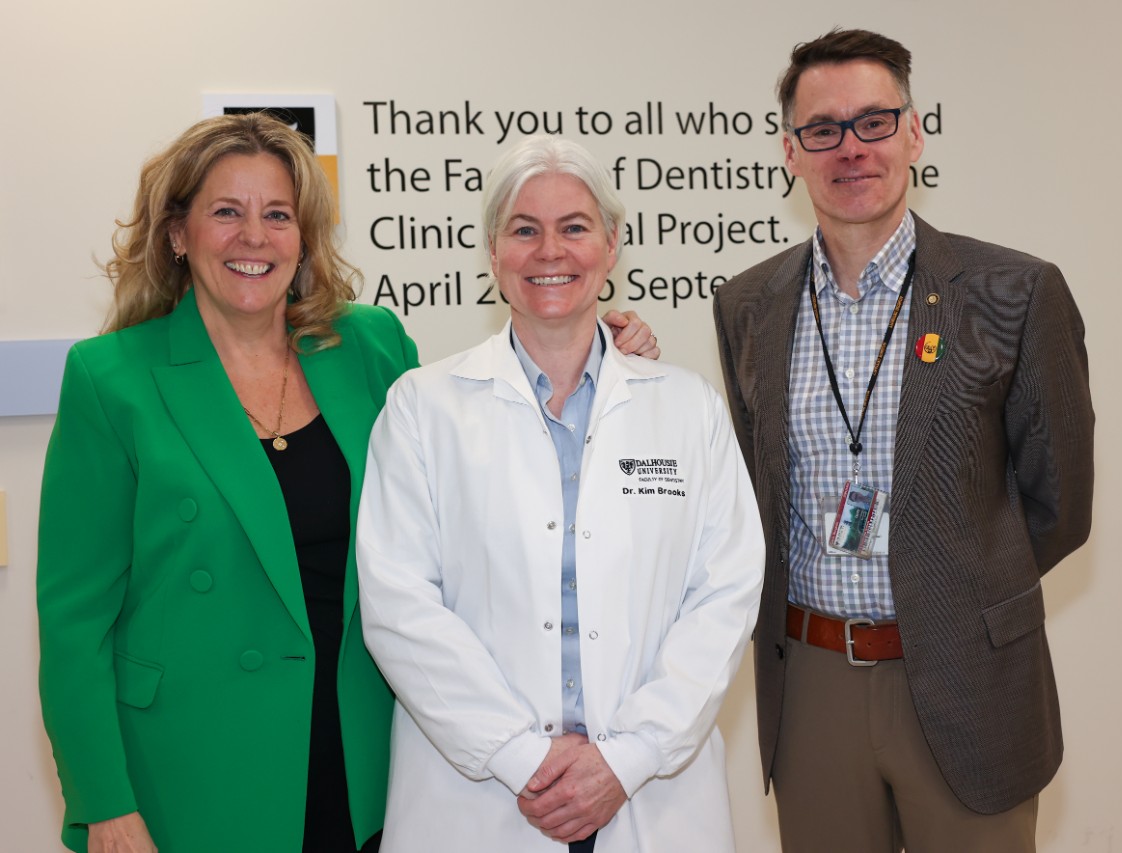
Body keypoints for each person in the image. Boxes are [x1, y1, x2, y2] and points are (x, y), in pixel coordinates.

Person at [37, 114, 658, 853]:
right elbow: (74, 624)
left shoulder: (369, 346)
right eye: (225, 213)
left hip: (364, 754)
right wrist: (104, 801)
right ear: (178, 233)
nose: (254, 236)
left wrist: (597, 354)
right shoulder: (112, 380)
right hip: (189, 767)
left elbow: (481, 443)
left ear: (303, 237)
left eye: (277, 215)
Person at [713, 29, 1094, 853]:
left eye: (874, 122)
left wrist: (959, 584)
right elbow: (752, 487)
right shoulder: (747, 304)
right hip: (809, 679)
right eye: (824, 130)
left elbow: (1058, 506)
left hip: (966, 674)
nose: (851, 148)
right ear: (790, 151)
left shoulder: (1014, 292)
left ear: (914, 133)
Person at [356, 135, 765, 853]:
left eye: (575, 227)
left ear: (612, 245)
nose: (551, 251)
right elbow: (399, 605)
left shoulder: (686, 407)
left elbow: (724, 596)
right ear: (493, 252)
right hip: (478, 795)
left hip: (650, 795)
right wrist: (520, 757)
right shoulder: (422, 407)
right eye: (524, 229)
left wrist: (628, 756)